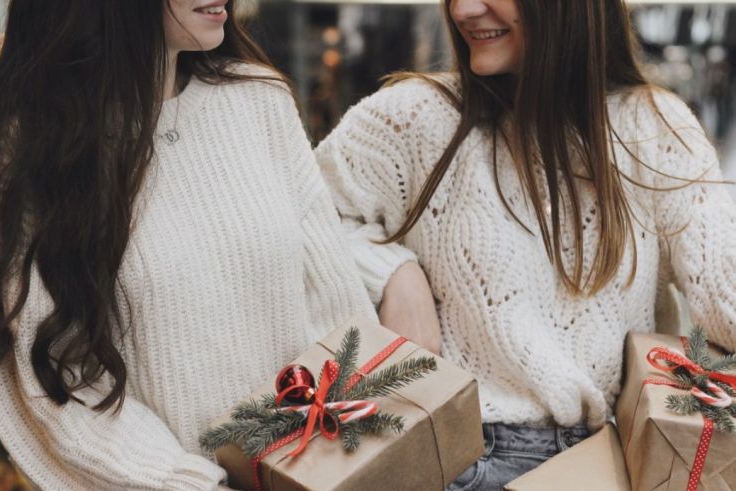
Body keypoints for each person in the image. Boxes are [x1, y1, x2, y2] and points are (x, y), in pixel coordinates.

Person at [0, 0, 374, 489]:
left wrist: (356, 453)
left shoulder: (260, 99)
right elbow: (61, 392)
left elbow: (338, 307)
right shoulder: (32, 158)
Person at [315, 0, 736, 488]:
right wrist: (390, 271)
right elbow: (306, 222)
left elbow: (724, 306)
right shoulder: (413, 117)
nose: (465, 10)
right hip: (448, 454)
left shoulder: (654, 126)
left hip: (608, 461)